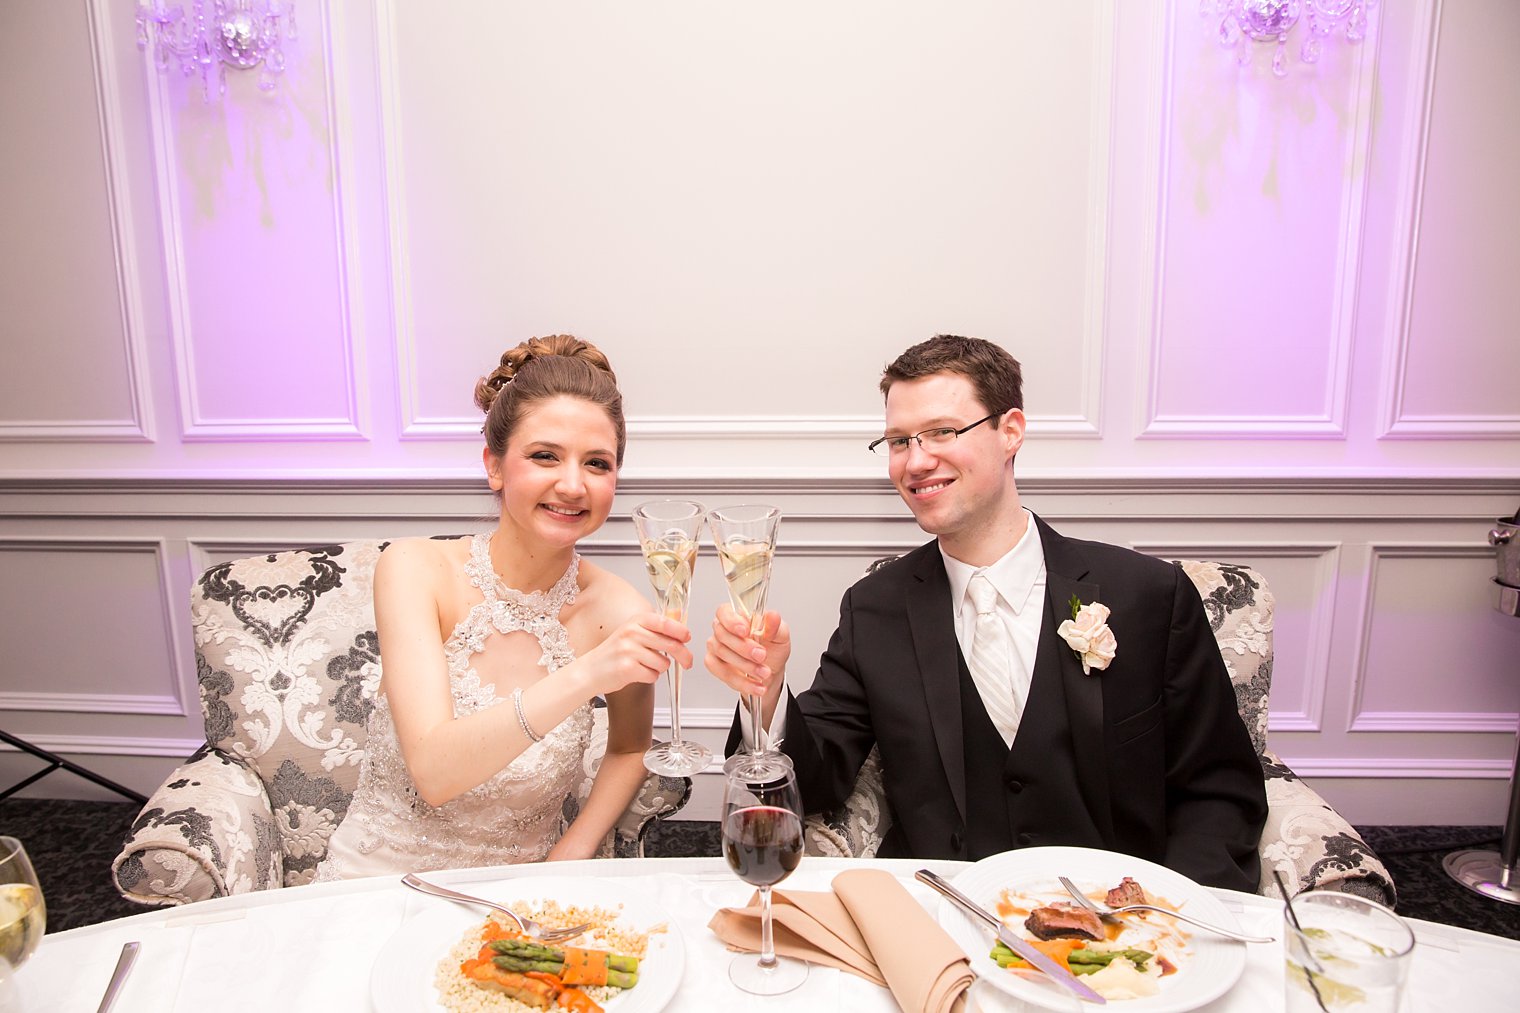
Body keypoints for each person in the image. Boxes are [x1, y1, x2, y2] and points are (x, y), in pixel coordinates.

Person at [704, 334, 1267, 892]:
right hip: (947, 917)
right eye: (899, 441)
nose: (917, 461)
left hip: (1121, 929)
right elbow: (818, 781)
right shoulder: (874, 608)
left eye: (942, 432)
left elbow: (1218, 789)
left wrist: (1177, 922)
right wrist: (768, 690)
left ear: (1011, 432)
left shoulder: (1148, 595)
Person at [316, 335, 691, 879]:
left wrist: (567, 859)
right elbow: (433, 771)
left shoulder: (620, 612)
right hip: (377, 884)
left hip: (520, 899)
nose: (572, 485)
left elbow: (630, 750)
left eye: (597, 464)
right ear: (494, 466)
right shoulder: (415, 570)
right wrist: (585, 675)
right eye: (544, 456)